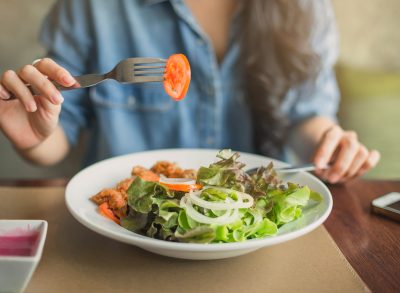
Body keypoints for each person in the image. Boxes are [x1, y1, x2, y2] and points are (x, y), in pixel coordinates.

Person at [0, 0, 379, 184]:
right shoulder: (92, 6)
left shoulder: (303, 6)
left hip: (253, 226)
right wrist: (33, 137)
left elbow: (304, 113)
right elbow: (60, 127)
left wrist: (327, 143)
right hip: (120, 232)